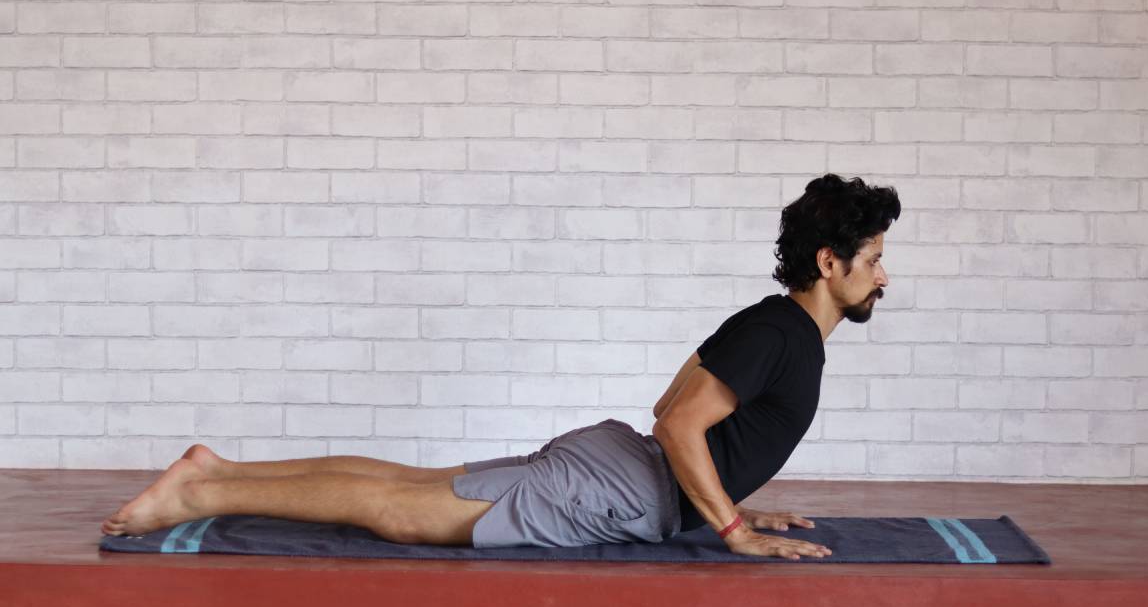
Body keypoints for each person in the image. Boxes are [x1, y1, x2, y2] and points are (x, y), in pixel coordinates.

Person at [102, 173, 898, 561]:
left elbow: (679, 405)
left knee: (409, 486)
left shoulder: (773, 327)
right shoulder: (785, 334)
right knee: (402, 511)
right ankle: (196, 493)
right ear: (830, 262)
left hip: (621, 466)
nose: (883, 276)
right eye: (874, 259)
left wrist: (736, 505)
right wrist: (730, 528)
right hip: (621, 483)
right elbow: (679, 419)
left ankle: (217, 471)